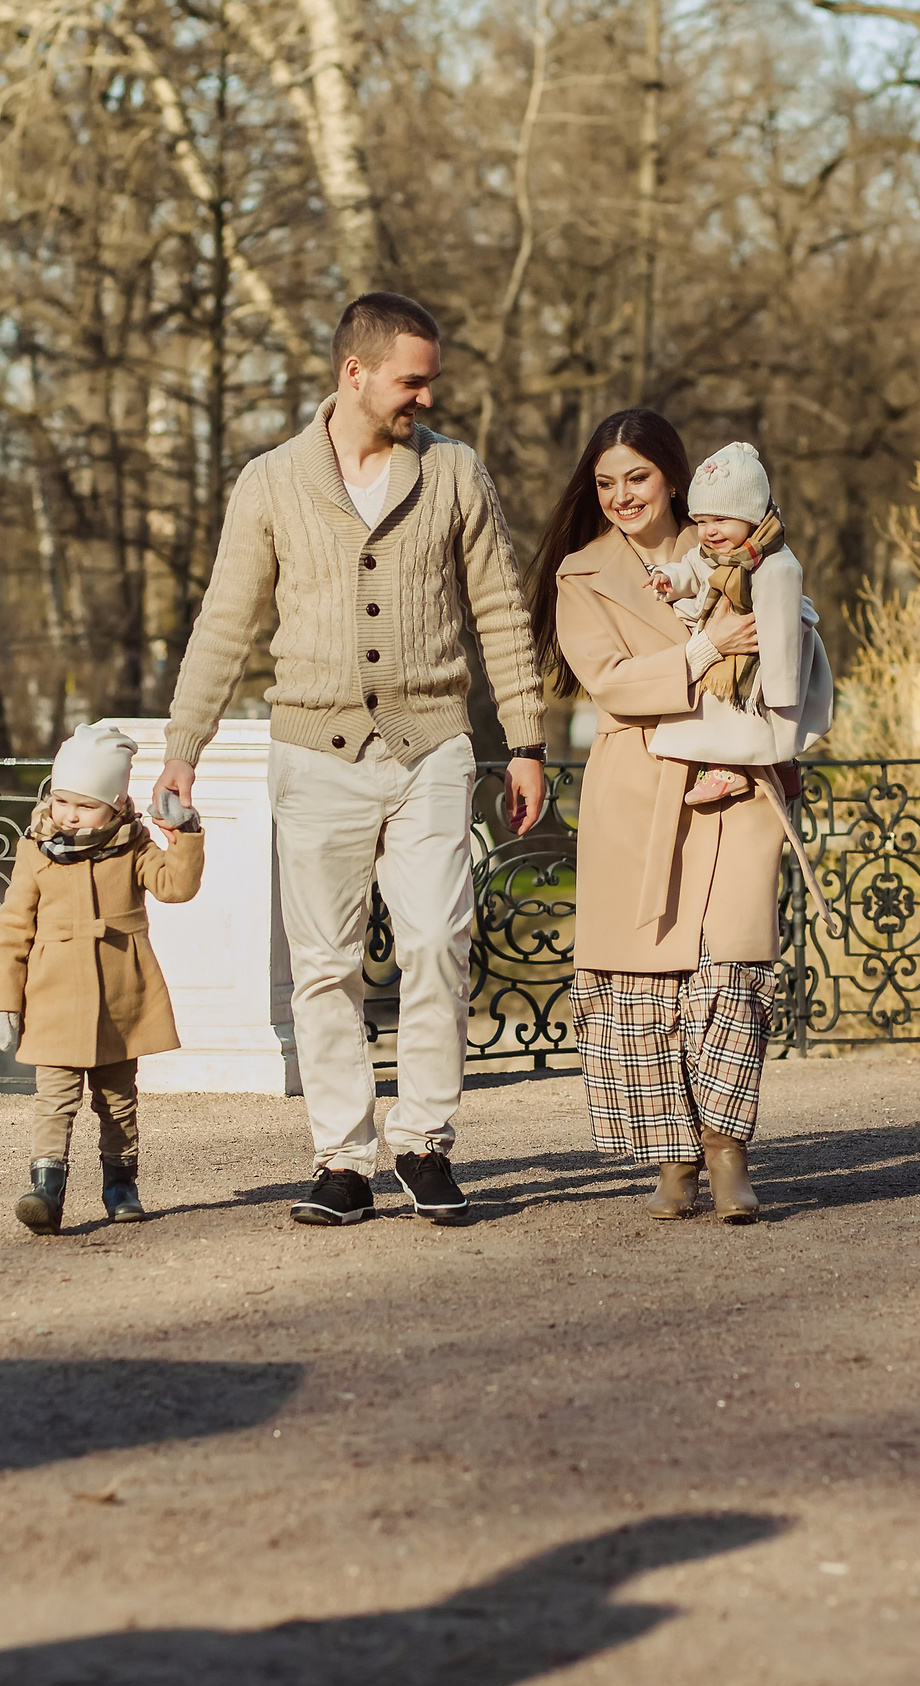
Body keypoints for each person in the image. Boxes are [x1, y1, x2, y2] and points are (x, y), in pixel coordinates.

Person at [154, 291, 549, 1228]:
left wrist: (525, 741)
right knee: (323, 964)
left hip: (433, 748)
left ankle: (424, 1144)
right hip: (313, 749)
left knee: (437, 946)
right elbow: (226, 621)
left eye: (430, 382)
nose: (424, 397)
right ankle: (341, 1159)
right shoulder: (272, 482)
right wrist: (182, 747)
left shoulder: (454, 473)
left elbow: (500, 607)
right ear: (355, 371)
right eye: (411, 380)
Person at [531, 409, 791, 1225]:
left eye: (636, 477)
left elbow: (784, 634)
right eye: (605, 483)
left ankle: (727, 1154)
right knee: (643, 988)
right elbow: (608, 681)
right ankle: (672, 1156)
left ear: (673, 475)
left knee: (728, 972)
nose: (620, 496)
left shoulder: (735, 545)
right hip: (635, 786)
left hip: (735, 782)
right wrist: (701, 652)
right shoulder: (581, 573)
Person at [0, 720, 205, 1233]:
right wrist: (2, 1001)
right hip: (54, 998)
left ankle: (121, 1186)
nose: (70, 814)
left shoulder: (134, 846)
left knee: (117, 1099)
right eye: (62, 801)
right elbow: (12, 930)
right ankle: (46, 1190)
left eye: (85, 805)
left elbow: (176, 886)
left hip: (119, 996)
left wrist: (186, 833)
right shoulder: (36, 854)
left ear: (115, 805)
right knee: (54, 1100)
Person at [638, 442, 825, 806]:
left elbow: (781, 637)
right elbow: (691, 567)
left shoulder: (776, 566)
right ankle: (760, 765)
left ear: (752, 516)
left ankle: (735, 768)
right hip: (733, 647)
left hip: (762, 661)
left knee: (747, 715)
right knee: (723, 707)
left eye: (721, 520)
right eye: (702, 521)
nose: (709, 532)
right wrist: (670, 578)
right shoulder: (714, 553)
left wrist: (781, 696)